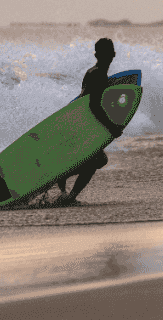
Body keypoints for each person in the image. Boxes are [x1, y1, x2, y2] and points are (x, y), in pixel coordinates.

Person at [52, 38, 126, 207]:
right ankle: (68, 192)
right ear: (113, 54)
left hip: (79, 121)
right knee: (97, 160)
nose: (108, 56)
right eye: (106, 53)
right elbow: (93, 105)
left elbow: (84, 100)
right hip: (84, 123)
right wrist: (111, 127)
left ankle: (64, 183)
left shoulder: (93, 71)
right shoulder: (98, 74)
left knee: (97, 159)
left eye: (107, 53)